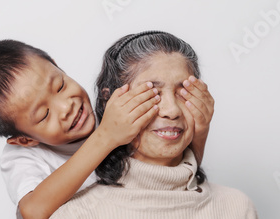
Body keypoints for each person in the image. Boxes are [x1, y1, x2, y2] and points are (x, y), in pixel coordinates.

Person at [0, 39, 210, 218]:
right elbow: (33, 212)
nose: (66, 107)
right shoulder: (22, 157)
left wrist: (199, 130)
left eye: (59, 85)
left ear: (58, 66)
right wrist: (105, 137)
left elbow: (178, 172)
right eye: (44, 114)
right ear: (24, 139)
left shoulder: (111, 114)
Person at [51, 31, 257, 218]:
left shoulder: (236, 207)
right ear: (110, 102)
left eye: (183, 92)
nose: (172, 110)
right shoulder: (77, 214)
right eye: (153, 94)